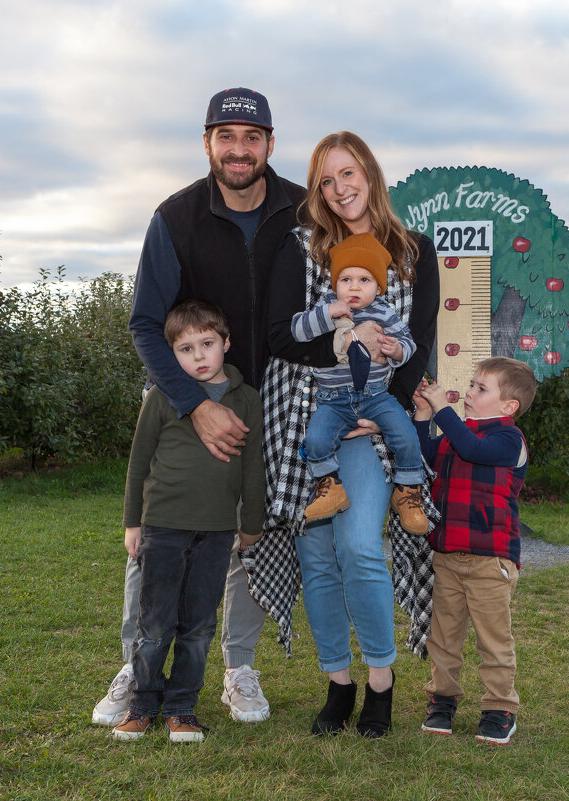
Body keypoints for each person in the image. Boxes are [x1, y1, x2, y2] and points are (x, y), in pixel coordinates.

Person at [93, 87, 311, 727]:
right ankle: (137, 672)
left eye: (251, 137)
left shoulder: (306, 211)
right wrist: (194, 402)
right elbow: (143, 322)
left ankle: (239, 669)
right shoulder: (176, 216)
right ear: (208, 142)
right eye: (226, 136)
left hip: (277, 399)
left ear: (271, 143)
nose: (238, 149)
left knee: (253, 534)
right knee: (155, 539)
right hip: (185, 395)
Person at [261, 131, 440, 737]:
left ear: (370, 172)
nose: (339, 189)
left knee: (360, 546)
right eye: (326, 180)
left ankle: (382, 685)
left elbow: (418, 340)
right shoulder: (301, 247)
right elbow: (280, 338)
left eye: (348, 174)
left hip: (374, 422)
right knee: (315, 552)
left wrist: (380, 399)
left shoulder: (415, 250)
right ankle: (338, 682)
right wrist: (340, 360)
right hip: (307, 414)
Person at [111, 300, 265, 743]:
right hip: (161, 526)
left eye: (207, 344)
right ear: (171, 355)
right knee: (155, 624)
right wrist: (132, 523)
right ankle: (142, 705)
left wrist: (250, 523)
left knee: (197, 626)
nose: (198, 357)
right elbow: (138, 463)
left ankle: (182, 708)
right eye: (185, 349)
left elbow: (253, 466)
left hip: (217, 531)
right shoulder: (163, 396)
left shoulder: (246, 399)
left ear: (226, 343)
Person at [413, 357, 537, 745]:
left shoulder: (508, 440)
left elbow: (472, 449)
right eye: (471, 384)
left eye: (480, 388)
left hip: (491, 559)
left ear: (508, 406)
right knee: (443, 636)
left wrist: (441, 409)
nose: (469, 392)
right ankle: (442, 701)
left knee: (493, 639)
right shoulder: (457, 434)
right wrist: (421, 416)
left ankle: (500, 709)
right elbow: (423, 457)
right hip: (447, 554)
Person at [291, 232, 428, 534]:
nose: (353, 286)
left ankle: (407, 490)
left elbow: (409, 343)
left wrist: (396, 351)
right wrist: (328, 314)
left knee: (405, 435)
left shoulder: (383, 311)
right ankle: (329, 485)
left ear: (379, 287)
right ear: (334, 284)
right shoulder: (326, 305)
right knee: (315, 440)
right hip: (331, 399)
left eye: (364, 280)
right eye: (346, 279)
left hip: (376, 396)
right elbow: (297, 330)